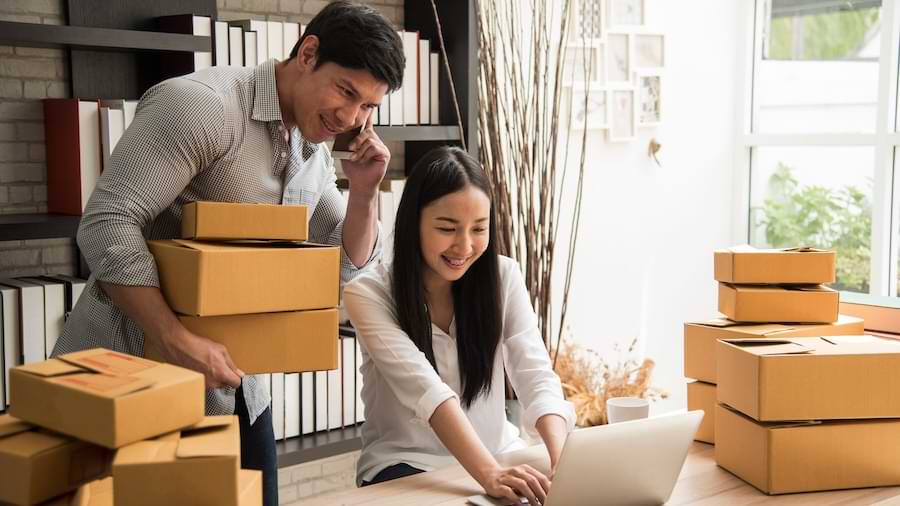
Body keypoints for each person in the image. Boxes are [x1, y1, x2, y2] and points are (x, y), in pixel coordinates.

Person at [52, 2, 404, 505]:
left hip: (237, 390)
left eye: (369, 106)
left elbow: (344, 268)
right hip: (131, 376)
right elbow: (107, 222)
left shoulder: (313, 146)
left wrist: (366, 193)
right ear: (308, 53)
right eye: (346, 91)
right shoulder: (203, 107)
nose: (351, 118)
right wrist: (174, 338)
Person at [343, 146, 576, 506]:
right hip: (408, 466)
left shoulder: (503, 277)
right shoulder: (367, 294)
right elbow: (427, 391)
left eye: (478, 229)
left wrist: (563, 462)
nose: (464, 246)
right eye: (447, 228)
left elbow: (536, 375)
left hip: (500, 454)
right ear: (413, 223)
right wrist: (489, 474)